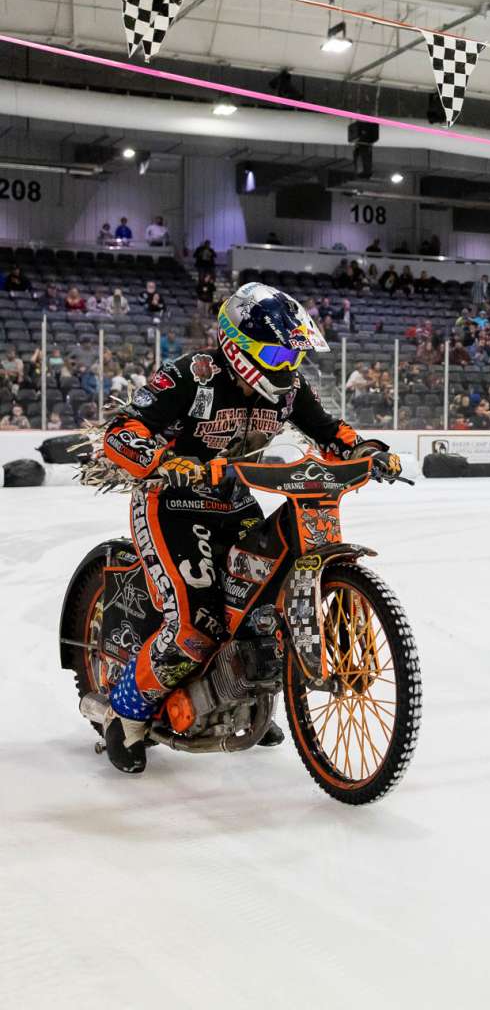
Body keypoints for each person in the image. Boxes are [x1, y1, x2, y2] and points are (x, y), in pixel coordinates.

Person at [92, 283, 400, 774]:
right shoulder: (191, 376)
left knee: (261, 604)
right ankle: (124, 716)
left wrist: (366, 451)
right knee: (194, 627)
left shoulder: (290, 389)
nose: (288, 363)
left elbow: (329, 430)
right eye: (278, 351)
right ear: (238, 345)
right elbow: (122, 432)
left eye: (293, 352)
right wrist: (163, 461)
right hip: (170, 504)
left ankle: (242, 697)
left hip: (234, 500)